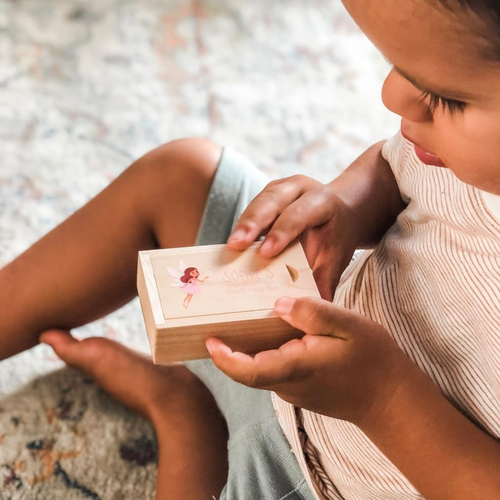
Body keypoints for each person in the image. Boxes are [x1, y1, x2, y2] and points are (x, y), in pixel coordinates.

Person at [1, 0, 500, 498]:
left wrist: (381, 398)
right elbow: (395, 168)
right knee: (182, 175)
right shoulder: (448, 141)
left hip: (321, 484)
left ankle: (185, 421)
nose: (393, 96)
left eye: (445, 98)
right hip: (281, 344)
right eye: (398, 67)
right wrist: (346, 204)